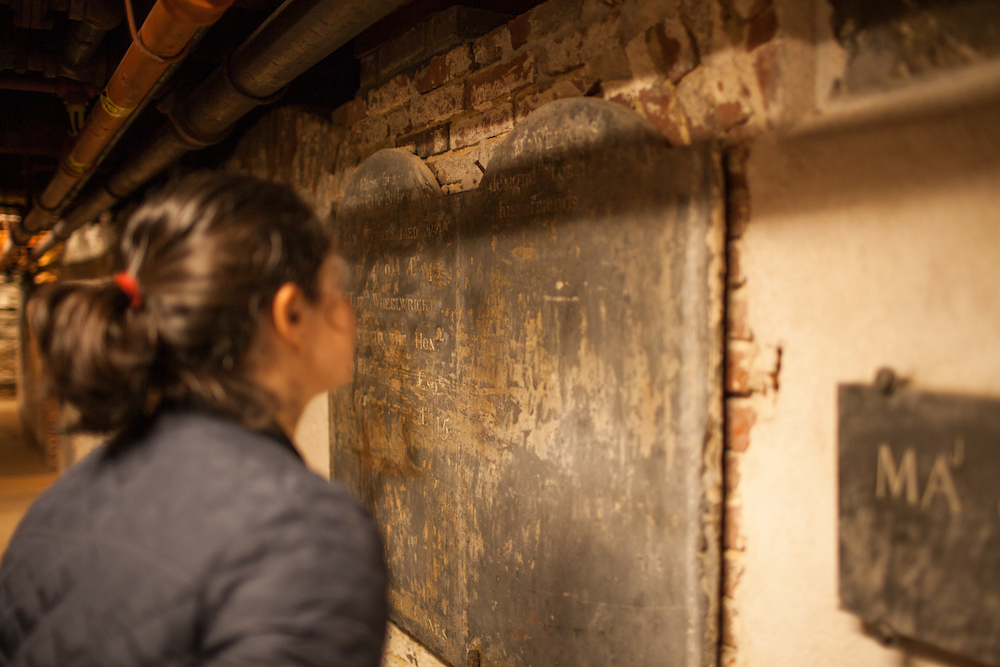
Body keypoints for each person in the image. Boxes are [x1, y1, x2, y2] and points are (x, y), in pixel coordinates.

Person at [0, 173, 387, 666]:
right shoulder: (309, 538)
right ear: (290, 314)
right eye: (336, 287)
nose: (350, 309)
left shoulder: (59, 505)